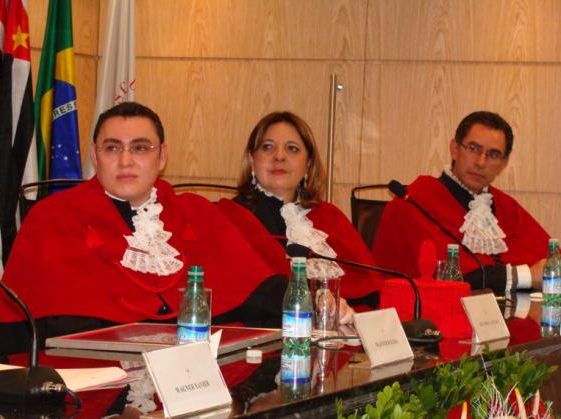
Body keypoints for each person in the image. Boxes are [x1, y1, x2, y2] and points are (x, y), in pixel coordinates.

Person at [0, 102, 286, 358]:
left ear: (162, 156)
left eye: (140, 148)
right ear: (95, 156)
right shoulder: (52, 218)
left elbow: (259, 294)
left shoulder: (197, 212)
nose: (125, 161)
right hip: (92, 386)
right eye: (112, 148)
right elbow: (16, 340)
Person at [217, 111, 383, 319]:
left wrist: (347, 317)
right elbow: (236, 294)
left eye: (292, 149)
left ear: (308, 164)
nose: (279, 156)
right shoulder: (228, 217)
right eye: (267, 147)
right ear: (252, 159)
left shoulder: (331, 217)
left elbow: (369, 293)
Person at [372, 111, 549, 298]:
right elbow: (448, 279)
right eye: (473, 148)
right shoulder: (415, 201)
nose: (481, 162)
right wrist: (527, 275)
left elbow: (551, 262)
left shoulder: (507, 207)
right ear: (455, 149)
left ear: (504, 163)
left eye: (493, 154)